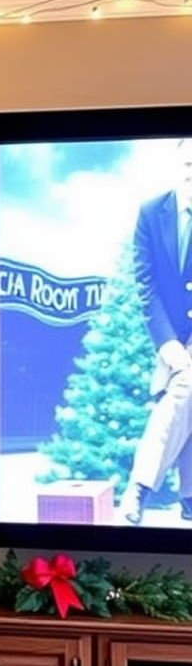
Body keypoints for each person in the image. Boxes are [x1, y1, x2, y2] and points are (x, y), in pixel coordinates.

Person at [121, 138, 192, 524]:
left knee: (185, 388)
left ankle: (140, 486)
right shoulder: (152, 212)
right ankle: (188, 498)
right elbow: (146, 285)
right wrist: (165, 342)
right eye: (188, 165)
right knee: (189, 389)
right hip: (174, 336)